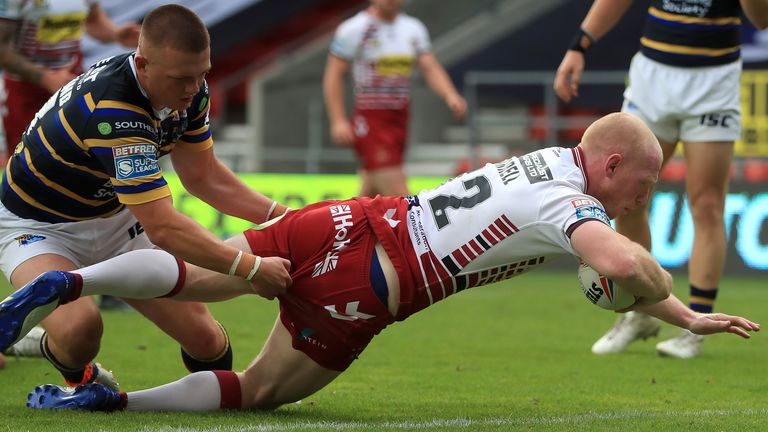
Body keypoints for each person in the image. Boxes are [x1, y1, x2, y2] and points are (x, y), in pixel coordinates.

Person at [1, 113, 759, 412]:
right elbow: (620, 257)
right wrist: (651, 283)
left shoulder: (552, 163)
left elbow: (611, 249)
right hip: (369, 287)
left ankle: (77, 279)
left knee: (214, 272)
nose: (645, 195)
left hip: (347, 220)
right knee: (259, 391)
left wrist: (685, 315)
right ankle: (120, 403)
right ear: (613, 164)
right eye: (645, 182)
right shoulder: (569, 206)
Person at [0, 4, 292, 392]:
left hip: (117, 218)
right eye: (181, 79)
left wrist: (286, 217)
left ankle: (213, 404)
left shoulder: (188, 87)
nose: (192, 89)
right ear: (143, 65)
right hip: (39, 227)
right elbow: (165, 227)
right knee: (81, 330)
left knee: (206, 340)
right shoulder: (114, 111)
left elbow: (204, 177)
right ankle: (77, 379)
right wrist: (252, 268)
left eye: (201, 74)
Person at [553, 0, 768, 359]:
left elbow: (761, 19)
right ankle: (640, 310)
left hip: (714, 79)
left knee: (708, 204)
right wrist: (580, 44)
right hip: (653, 75)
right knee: (627, 200)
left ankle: (696, 325)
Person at [323, 0, 467, 198]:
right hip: (371, 120)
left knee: (371, 194)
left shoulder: (413, 29)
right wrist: (338, 120)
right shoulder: (354, 29)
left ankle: (345, 227)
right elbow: (334, 74)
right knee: (399, 195)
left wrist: (450, 95)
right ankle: (420, 225)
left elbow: (429, 67)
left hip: (400, 118)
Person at [0, 1, 142, 164]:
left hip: (72, 81)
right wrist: (45, 78)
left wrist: (115, 34)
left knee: (87, 158)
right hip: (25, 92)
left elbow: (93, 20)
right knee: (26, 164)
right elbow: (2, 49)